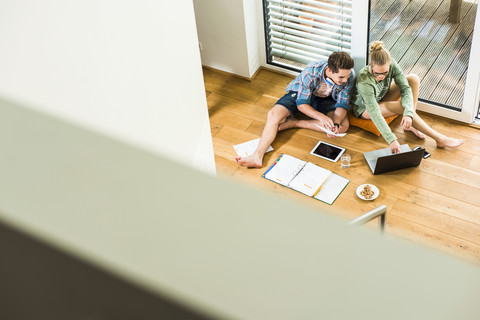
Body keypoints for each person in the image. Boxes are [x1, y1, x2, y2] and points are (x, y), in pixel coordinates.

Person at [236, 51, 355, 168]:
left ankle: (294, 123)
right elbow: (302, 104)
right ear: (329, 70)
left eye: (347, 76)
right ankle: (257, 156)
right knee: (273, 114)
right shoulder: (311, 71)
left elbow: (342, 104)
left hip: (326, 99)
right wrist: (321, 117)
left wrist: (336, 123)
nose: (345, 80)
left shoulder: (349, 76)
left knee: (343, 126)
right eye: (341, 77)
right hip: (301, 94)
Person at [351, 41, 464, 154]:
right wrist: (392, 139)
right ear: (370, 66)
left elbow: (405, 88)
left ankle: (410, 123)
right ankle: (440, 139)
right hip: (366, 109)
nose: (381, 77)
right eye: (376, 73)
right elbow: (374, 112)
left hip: (380, 96)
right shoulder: (364, 80)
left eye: (385, 73)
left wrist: (408, 114)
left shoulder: (392, 65)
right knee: (402, 107)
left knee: (412, 79)